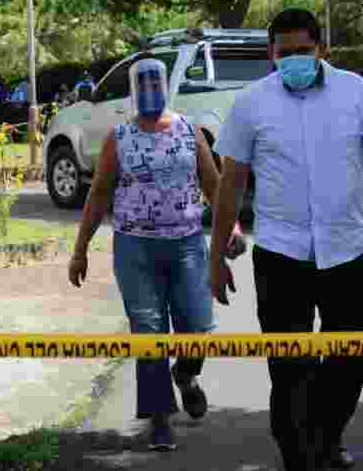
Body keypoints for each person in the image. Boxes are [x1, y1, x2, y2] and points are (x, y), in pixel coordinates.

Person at [209, 8, 363, 471]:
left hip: (347, 252)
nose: (293, 60)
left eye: (303, 51)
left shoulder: (356, 92)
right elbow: (230, 183)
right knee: (289, 368)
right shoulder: (251, 103)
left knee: (349, 360)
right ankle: (298, 456)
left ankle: (328, 437)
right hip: (280, 256)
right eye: (283, 53)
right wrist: (216, 257)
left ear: (322, 50)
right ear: (270, 56)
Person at [68, 57, 244, 451]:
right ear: (132, 88)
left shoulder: (190, 131)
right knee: (148, 333)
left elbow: (214, 185)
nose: (149, 86)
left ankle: (185, 373)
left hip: (187, 244)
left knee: (197, 326)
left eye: (155, 79)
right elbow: (98, 194)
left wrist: (230, 227)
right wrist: (80, 250)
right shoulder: (120, 136)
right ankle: (160, 418)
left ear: (166, 85)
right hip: (136, 248)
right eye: (141, 80)